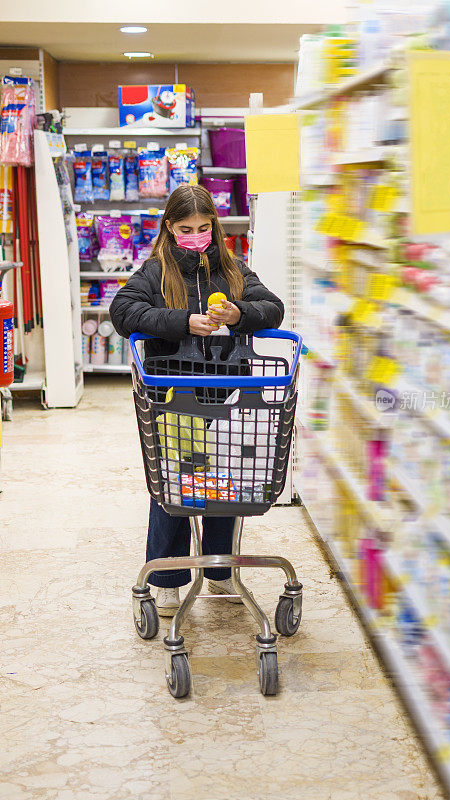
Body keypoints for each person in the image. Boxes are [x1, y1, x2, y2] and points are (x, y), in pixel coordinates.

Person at [110, 184, 284, 616]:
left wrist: (240, 313)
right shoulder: (155, 272)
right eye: (186, 228)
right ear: (169, 227)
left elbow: (274, 308)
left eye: (203, 227)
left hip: (229, 395)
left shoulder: (233, 269)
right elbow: (124, 312)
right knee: (175, 485)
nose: (196, 235)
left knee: (224, 482)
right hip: (173, 397)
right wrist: (183, 322)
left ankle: (220, 569)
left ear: (214, 226)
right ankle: (168, 577)